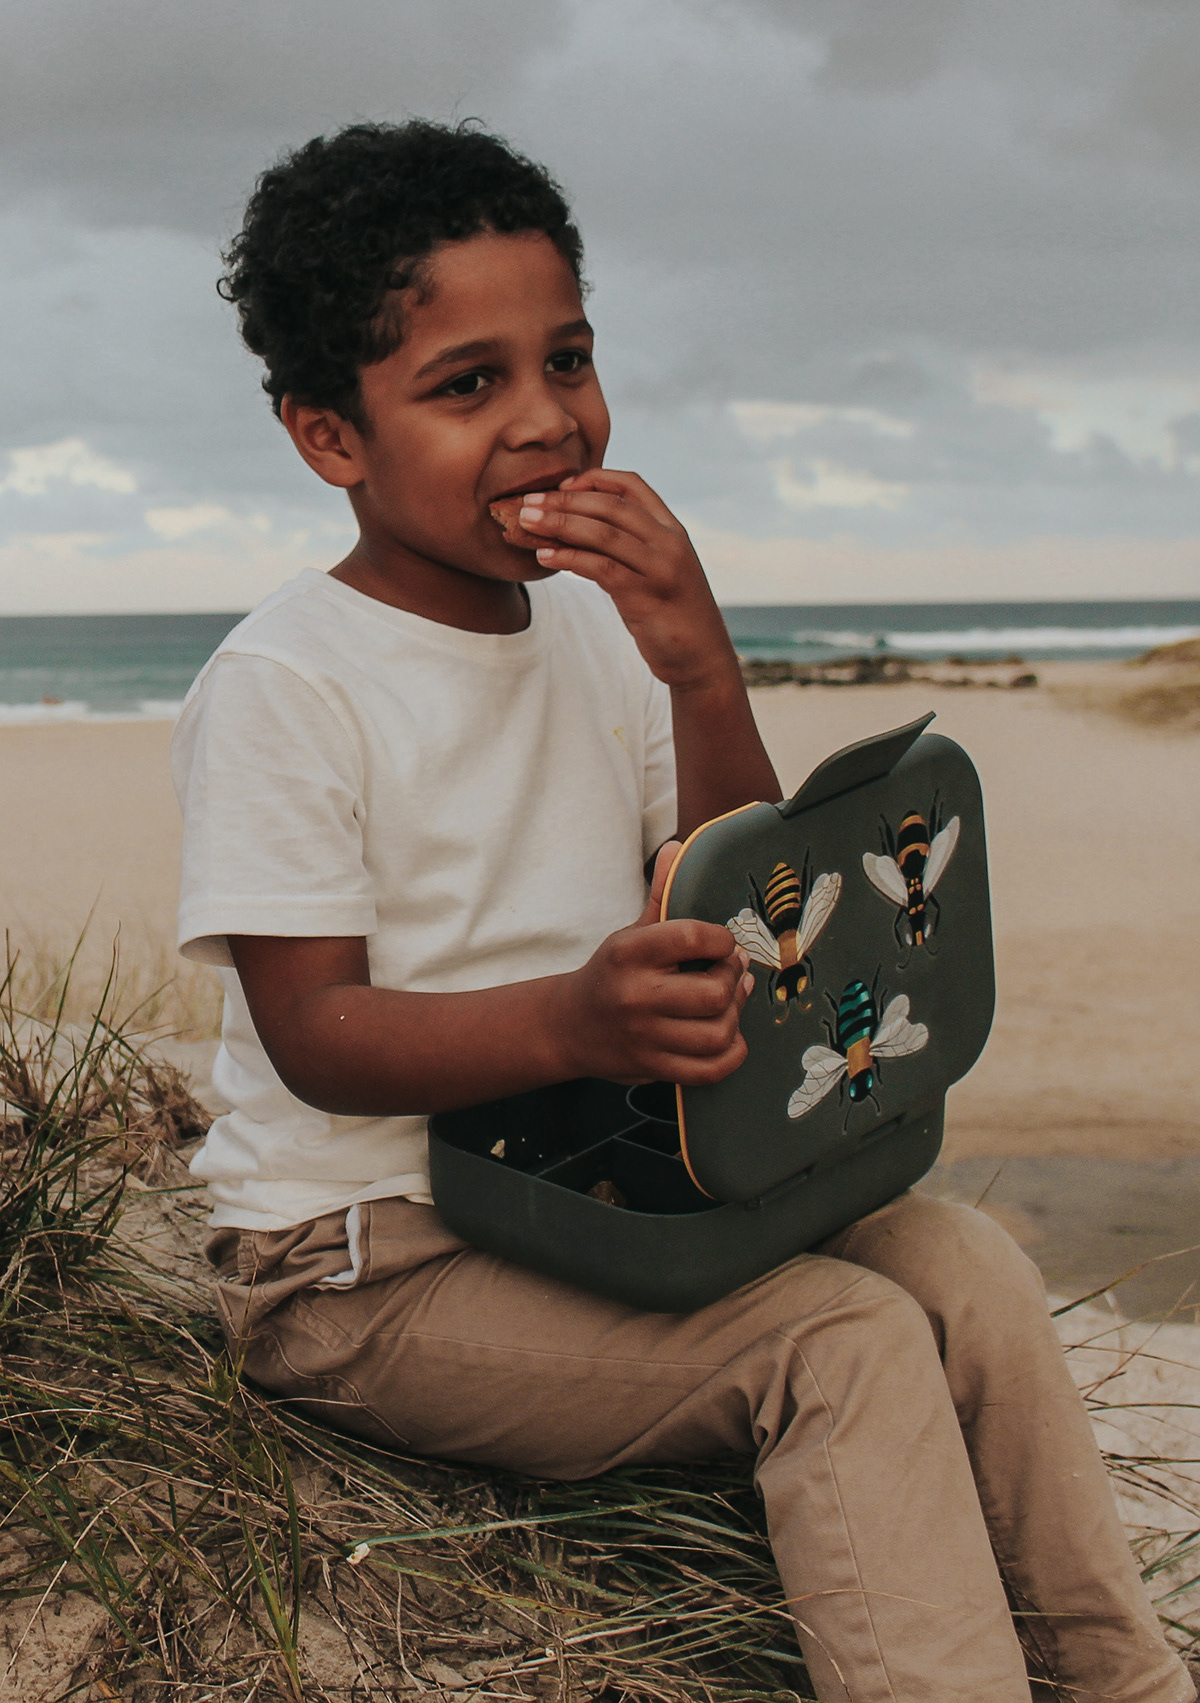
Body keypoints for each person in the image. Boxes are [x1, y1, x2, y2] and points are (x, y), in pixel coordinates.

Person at [173, 120, 1192, 1703]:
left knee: (966, 1264)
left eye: (566, 361)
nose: (543, 422)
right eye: (467, 385)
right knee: (836, 1343)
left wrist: (699, 662)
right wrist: (572, 1019)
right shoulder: (287, 683)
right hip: (366, 1262)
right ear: (330, 437)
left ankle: (1118, 1678)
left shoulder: (600, 638)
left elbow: (745, 886)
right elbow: (318, 1033)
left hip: (597, 1188)